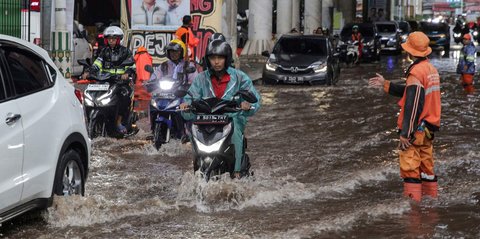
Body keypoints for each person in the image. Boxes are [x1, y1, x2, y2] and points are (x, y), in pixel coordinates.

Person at [368, 32, 441, 202]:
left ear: (410, 51)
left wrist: (405, 133)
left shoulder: (416, 72)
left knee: (410, 168)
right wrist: (386, 84)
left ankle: (413, 212)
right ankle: (430, 206)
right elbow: (412, 93)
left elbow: (413, 104)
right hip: (428, 128)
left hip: (416, 130)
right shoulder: (430, 69)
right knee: (426, 168)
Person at [179, 34, 261, 178]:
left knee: (235, 129)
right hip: (205, 121)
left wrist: (248, 105)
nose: (216, 62)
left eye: (220, 58)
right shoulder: (201, 78)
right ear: (208, 59)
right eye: (213, 58)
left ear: (227, 58)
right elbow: (189, 97)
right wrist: (186, 106)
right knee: (193, 129)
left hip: (231, 119)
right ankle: (196, 166)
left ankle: (236, 172)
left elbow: (255, 101)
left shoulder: (240, 77)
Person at [83, 26, 136, 134]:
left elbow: (132, 67)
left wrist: (126, 74)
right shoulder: (104, 51)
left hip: (120, 83)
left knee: (125, 96)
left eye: (113, 38)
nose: (111, 41)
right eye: (109, 39)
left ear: (118, 39)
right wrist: (89, 72)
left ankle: (119, 122)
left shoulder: (125, 52)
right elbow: (97, 64)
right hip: (104, 82)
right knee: (90, 95)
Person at [144, 39, 198, 138]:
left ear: (182, 52)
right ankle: (152, 128)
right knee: (152, 103)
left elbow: (195, 81)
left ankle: (188, 129)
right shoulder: (164, 65)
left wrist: (188, 86)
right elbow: (155, 77)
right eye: (171, 51)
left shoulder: (188, 65)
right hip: (164, 93)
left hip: (181, 94)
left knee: (187, 105)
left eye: (176, 51)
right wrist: (151, 82)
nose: (174, 54)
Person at [133, 46, 153, 112]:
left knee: (137, 99)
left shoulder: (137, 57)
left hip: (138, 82)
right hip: (145, 82)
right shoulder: (147, 56)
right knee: (145, 98)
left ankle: (137, 113)